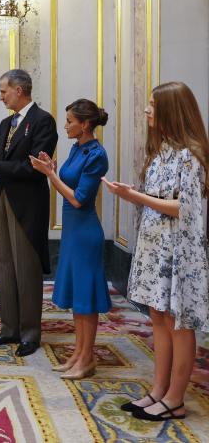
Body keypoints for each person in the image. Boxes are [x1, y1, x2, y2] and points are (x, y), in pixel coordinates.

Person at [104, 81, 209, 422]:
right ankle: (158, 390)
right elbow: (161, 198)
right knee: (159, 320)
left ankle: (175, 399)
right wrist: (137, 192)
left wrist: (134, 196)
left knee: (179, 324)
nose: (147, 109)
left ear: (170, 110)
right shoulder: (161, 150)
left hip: (178, 253)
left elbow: (183, 207)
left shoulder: (190, 156)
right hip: (155, 250)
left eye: (152, 104)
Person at [0, 69, 58, 357]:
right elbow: (1, 160)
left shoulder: (43, 121)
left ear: (19, 90)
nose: (0, 95)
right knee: (4, 264)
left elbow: (34, 167)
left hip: (29, 205)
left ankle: (30, 333)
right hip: (5, 199)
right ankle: (9, 330)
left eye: (4, 90)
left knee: (26, 268)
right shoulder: (7, 123)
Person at [30, 99, 111, 379]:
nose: (65, 126)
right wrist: (52, 167)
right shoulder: (77, 148)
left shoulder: (96, 154)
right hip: (73, 232)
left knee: (86, 299)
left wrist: (51, 174)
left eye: (69, 121)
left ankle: (87, 358)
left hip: (86, 232)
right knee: (78, 298)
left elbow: (78, 199)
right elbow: (69, 182)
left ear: (85, 124)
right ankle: (78, 353)